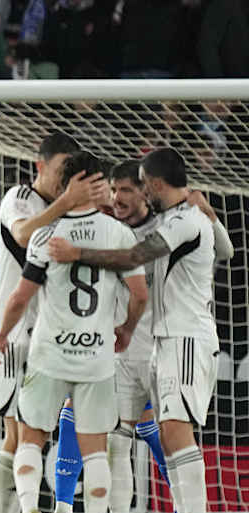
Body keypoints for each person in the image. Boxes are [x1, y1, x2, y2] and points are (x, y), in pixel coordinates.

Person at [48, 148, 233, 513]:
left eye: (134, 188)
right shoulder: (140, 222)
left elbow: (138, 258)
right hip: (136, 347)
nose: (121, 196)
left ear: (152, 188)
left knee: (173, 434)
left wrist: (77, 252)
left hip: (179, 338)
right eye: (114, 189)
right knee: (122, 437)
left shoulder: (178, 221)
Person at [0, 150, 149, 513]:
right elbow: (140, 295)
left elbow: (20, 297)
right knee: (96, 451)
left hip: (50, 354)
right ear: (99, 185)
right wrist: (126, 329)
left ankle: (30, 506)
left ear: (66, 185)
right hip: (96, 355)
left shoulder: (47, 234)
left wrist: (1, 336)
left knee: (30, 438)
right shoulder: (120, 234)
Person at [0, 132, 102, 513]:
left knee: (32, 436)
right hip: (11, 333)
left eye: (71, 170)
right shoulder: (19, 197)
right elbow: (21, 233)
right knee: (19, 434)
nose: (65, 177)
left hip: (44, 336)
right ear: (40, 165)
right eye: (61, 168)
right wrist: (66, 203)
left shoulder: (66, 211)